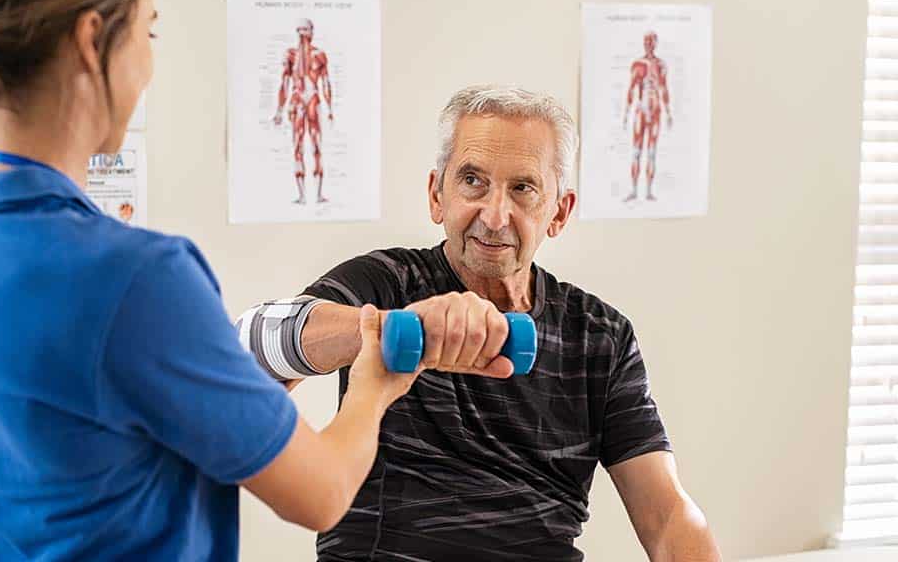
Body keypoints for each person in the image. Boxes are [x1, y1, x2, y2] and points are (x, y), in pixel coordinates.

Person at [0, 0, 415, 559]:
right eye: (148, 33)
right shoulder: (136, 279)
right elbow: (321, 493)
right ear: (91, 41)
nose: (147, 66)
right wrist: (375, 384)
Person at [238, 86, 721, 561]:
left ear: (559, 212)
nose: (494, 216)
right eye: (473, 181)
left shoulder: (600, 336)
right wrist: (397, 328)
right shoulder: (384, 284)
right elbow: (250, 347)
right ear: (436, 195)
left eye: (523, 189)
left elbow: (666, 516)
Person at [272, 18, 334, 204]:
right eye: (299, 30)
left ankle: (318, 194)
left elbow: (326, 82)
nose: (302, 34)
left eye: (305, 30)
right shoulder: (290, 55)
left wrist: (330, 108)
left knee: (316, 145)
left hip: (313, 101)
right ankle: (301, 194)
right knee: (297, 146)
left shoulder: (319, 55)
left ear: (312, 31)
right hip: (297, 101)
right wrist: (279, 110)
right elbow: (284, 83)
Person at [622, 31, 673, 202]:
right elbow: (631, 89)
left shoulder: (661, 65)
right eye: (646, 41)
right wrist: (627, 112)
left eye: (651, 41)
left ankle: (649, 190)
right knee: (637, 152)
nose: (648, 44)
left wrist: (668, 112)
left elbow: (664, 89)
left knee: (651, 152)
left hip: (656, 110)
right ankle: (635, 190)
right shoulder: (638, 64)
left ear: (656, 43)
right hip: (641, 110)